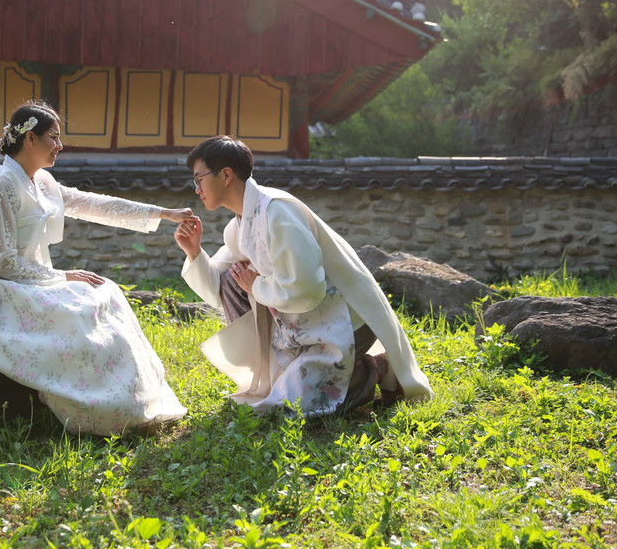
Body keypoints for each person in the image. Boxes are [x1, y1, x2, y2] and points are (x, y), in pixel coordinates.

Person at [0, 101, 191, 435]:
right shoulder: (0, 184)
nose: (60, 145)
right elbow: (3, 262)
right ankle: (100, 407)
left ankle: (133, 399)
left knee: (106, 292)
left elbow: (94, 203)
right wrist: (63, 276)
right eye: (53, 137)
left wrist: (162, 213)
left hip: (29, 275)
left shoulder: (41, 181)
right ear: (30, 139)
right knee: (79, 311)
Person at [173, 135, 433, 416]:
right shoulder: (238, 227)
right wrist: (194, 251)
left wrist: (256, 285)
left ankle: (371, 369)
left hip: (345, 323)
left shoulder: (278, 212)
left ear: (226, 175)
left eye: (199, 179)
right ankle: (342, 371)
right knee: (233, 284)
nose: (197, 189)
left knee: (286, 408)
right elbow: (219, 287)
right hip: (303, 330)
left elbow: (307, 289)